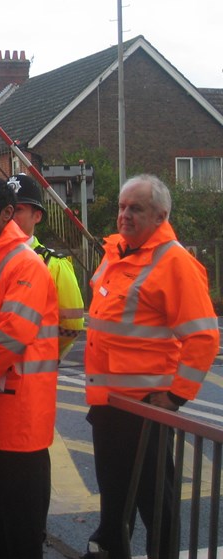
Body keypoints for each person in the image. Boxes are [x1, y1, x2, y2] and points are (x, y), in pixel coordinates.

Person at [83, 174, 219, 559]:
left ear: (161, 215)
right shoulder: (119, 252)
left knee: (155, 502)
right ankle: (110, 546)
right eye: (122, 206)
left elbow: (204, 336)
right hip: (109, 401)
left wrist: (175, 397)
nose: (124, 215)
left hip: (145, 407)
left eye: (135, 208)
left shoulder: (174, 262)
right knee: (113, 492)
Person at [0, 175, 59, 559]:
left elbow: (10, 338)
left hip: (21, 418)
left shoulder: (24, 264)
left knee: (19, 531)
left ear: (7, 213)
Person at [9, 173, 84, 359]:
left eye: (18, 210)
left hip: (31, 372)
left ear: (37, 216)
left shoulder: (54, 264)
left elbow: (72, 324)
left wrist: (41, 351)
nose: (10, 216)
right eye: (5, 209)